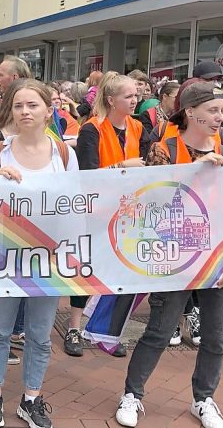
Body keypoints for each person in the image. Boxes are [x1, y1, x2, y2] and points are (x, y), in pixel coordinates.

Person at [115, 81, 223, 428]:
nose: (220, 117)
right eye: (213, 111)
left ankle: (204, 399)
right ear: (191, 112)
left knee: (216, 336)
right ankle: (133, 394)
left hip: (215, 258)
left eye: (221, 111)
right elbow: (152, 203)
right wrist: (199, 173)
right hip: (173, 256)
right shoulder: (163, 149)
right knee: (159, 330)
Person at [0, 79, 74, 428]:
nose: (25, 112)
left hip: (47, 258)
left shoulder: (64, 153)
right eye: (18, 106)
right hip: (5, 256)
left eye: (32, 105)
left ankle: (31, 398)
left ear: (49, 110)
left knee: (39, 333)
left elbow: (77, 203)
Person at [69, 72, 149, 358]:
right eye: (128, 96)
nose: (134, 100)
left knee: (120, 269)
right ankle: (75, 327)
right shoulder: (92, 129)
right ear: (111, 100)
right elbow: (87, 176)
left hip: (128, 210)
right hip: (97, 211)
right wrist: (121, 167)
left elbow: (150, 164)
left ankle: (105, 331)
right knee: (87, 267)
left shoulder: (137, 127)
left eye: (135, 95)